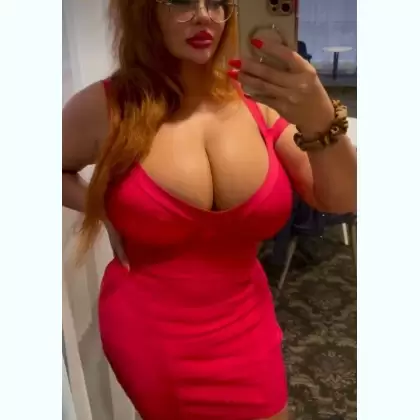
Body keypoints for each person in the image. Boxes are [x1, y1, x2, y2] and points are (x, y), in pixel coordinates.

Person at [62, 1, 356, 419]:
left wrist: (320, 117)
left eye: (217, 1)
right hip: (153, 337)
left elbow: (342, 198)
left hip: (247, 323)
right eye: (182, 0)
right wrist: (102, 208)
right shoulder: (106, 107)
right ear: (143, 12)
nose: (205, 15)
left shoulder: (258, 101)